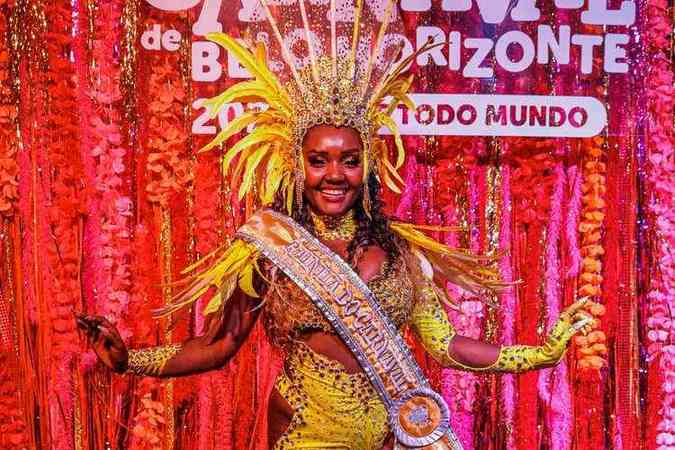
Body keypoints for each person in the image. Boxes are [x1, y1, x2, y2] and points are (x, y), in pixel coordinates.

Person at [76, 2, 599, 449]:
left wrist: (540, 352)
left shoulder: (400, 253)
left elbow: (444, 346)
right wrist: (130, 362)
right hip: (303, 429)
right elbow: (218, 346)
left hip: (385, 434)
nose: (334, 175)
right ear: (297, 165)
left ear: (367, 166)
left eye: (349, 160)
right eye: (319, 160)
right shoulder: (273, 248)